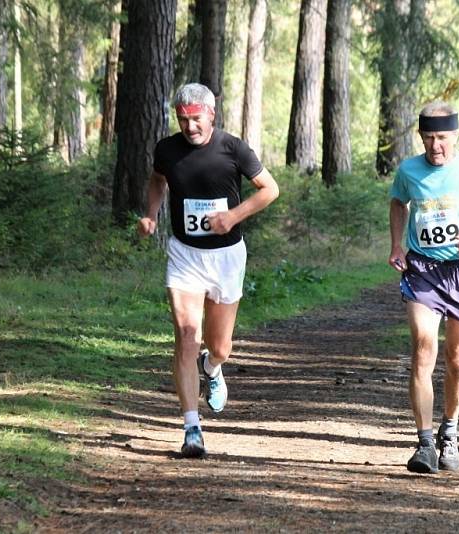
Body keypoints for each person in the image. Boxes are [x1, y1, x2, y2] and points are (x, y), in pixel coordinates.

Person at [137, 83, 279, 458]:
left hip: (226, 257)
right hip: (185, 254)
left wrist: (232, 216)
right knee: (186, 334)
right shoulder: (167, 149)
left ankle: (212, 368)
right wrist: (151, 215)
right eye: (182, 120)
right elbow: (157, 179)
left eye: (195, 119)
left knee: (220, 346)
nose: (189, 127)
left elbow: (269, 190)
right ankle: (191, 428)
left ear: (211, 115)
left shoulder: (233, 149)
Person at [388, 101, 459, 473]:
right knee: (423, 346)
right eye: (428, 137)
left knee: (458, 356)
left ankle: (449, 432)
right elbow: (397, 202)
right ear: (421, 136)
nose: (435, 145)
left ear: (455, 136)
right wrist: (396, 244)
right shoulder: (409, 170)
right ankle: (424, 443)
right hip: (423, 269)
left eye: (441, 137)